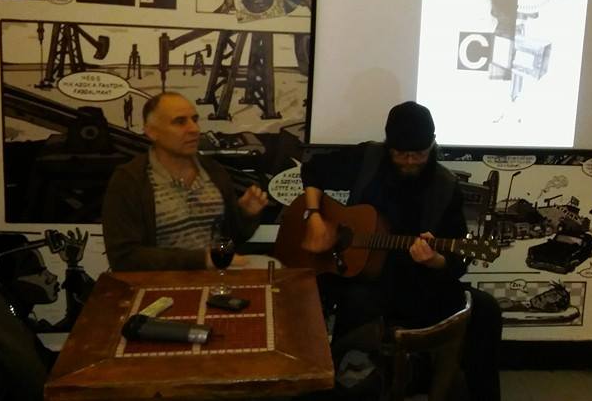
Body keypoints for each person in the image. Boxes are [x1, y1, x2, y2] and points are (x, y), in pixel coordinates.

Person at [300, 101, 501, 401]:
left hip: (416, 284)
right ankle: (336, 382)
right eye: (400, 154)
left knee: (486, 310)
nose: (409, 162)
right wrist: (314, 217)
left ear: (432, 145)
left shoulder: (445, 187)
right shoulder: (368, 159)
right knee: (342, 301)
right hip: (359, 278)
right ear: (388, 146)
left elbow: (457, 260)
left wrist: (436, 261)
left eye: (418, 154)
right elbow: (313, 169)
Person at [102, 92, 268, 271]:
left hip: (216, 281)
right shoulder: (130, 180)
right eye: (180, 122)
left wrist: (244, 215)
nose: (194, 129)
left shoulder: (214, 172)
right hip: (159, 285)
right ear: (152, 132)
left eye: (194, 120)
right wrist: (201, 260)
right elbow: (124, 258)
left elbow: (228, 241)